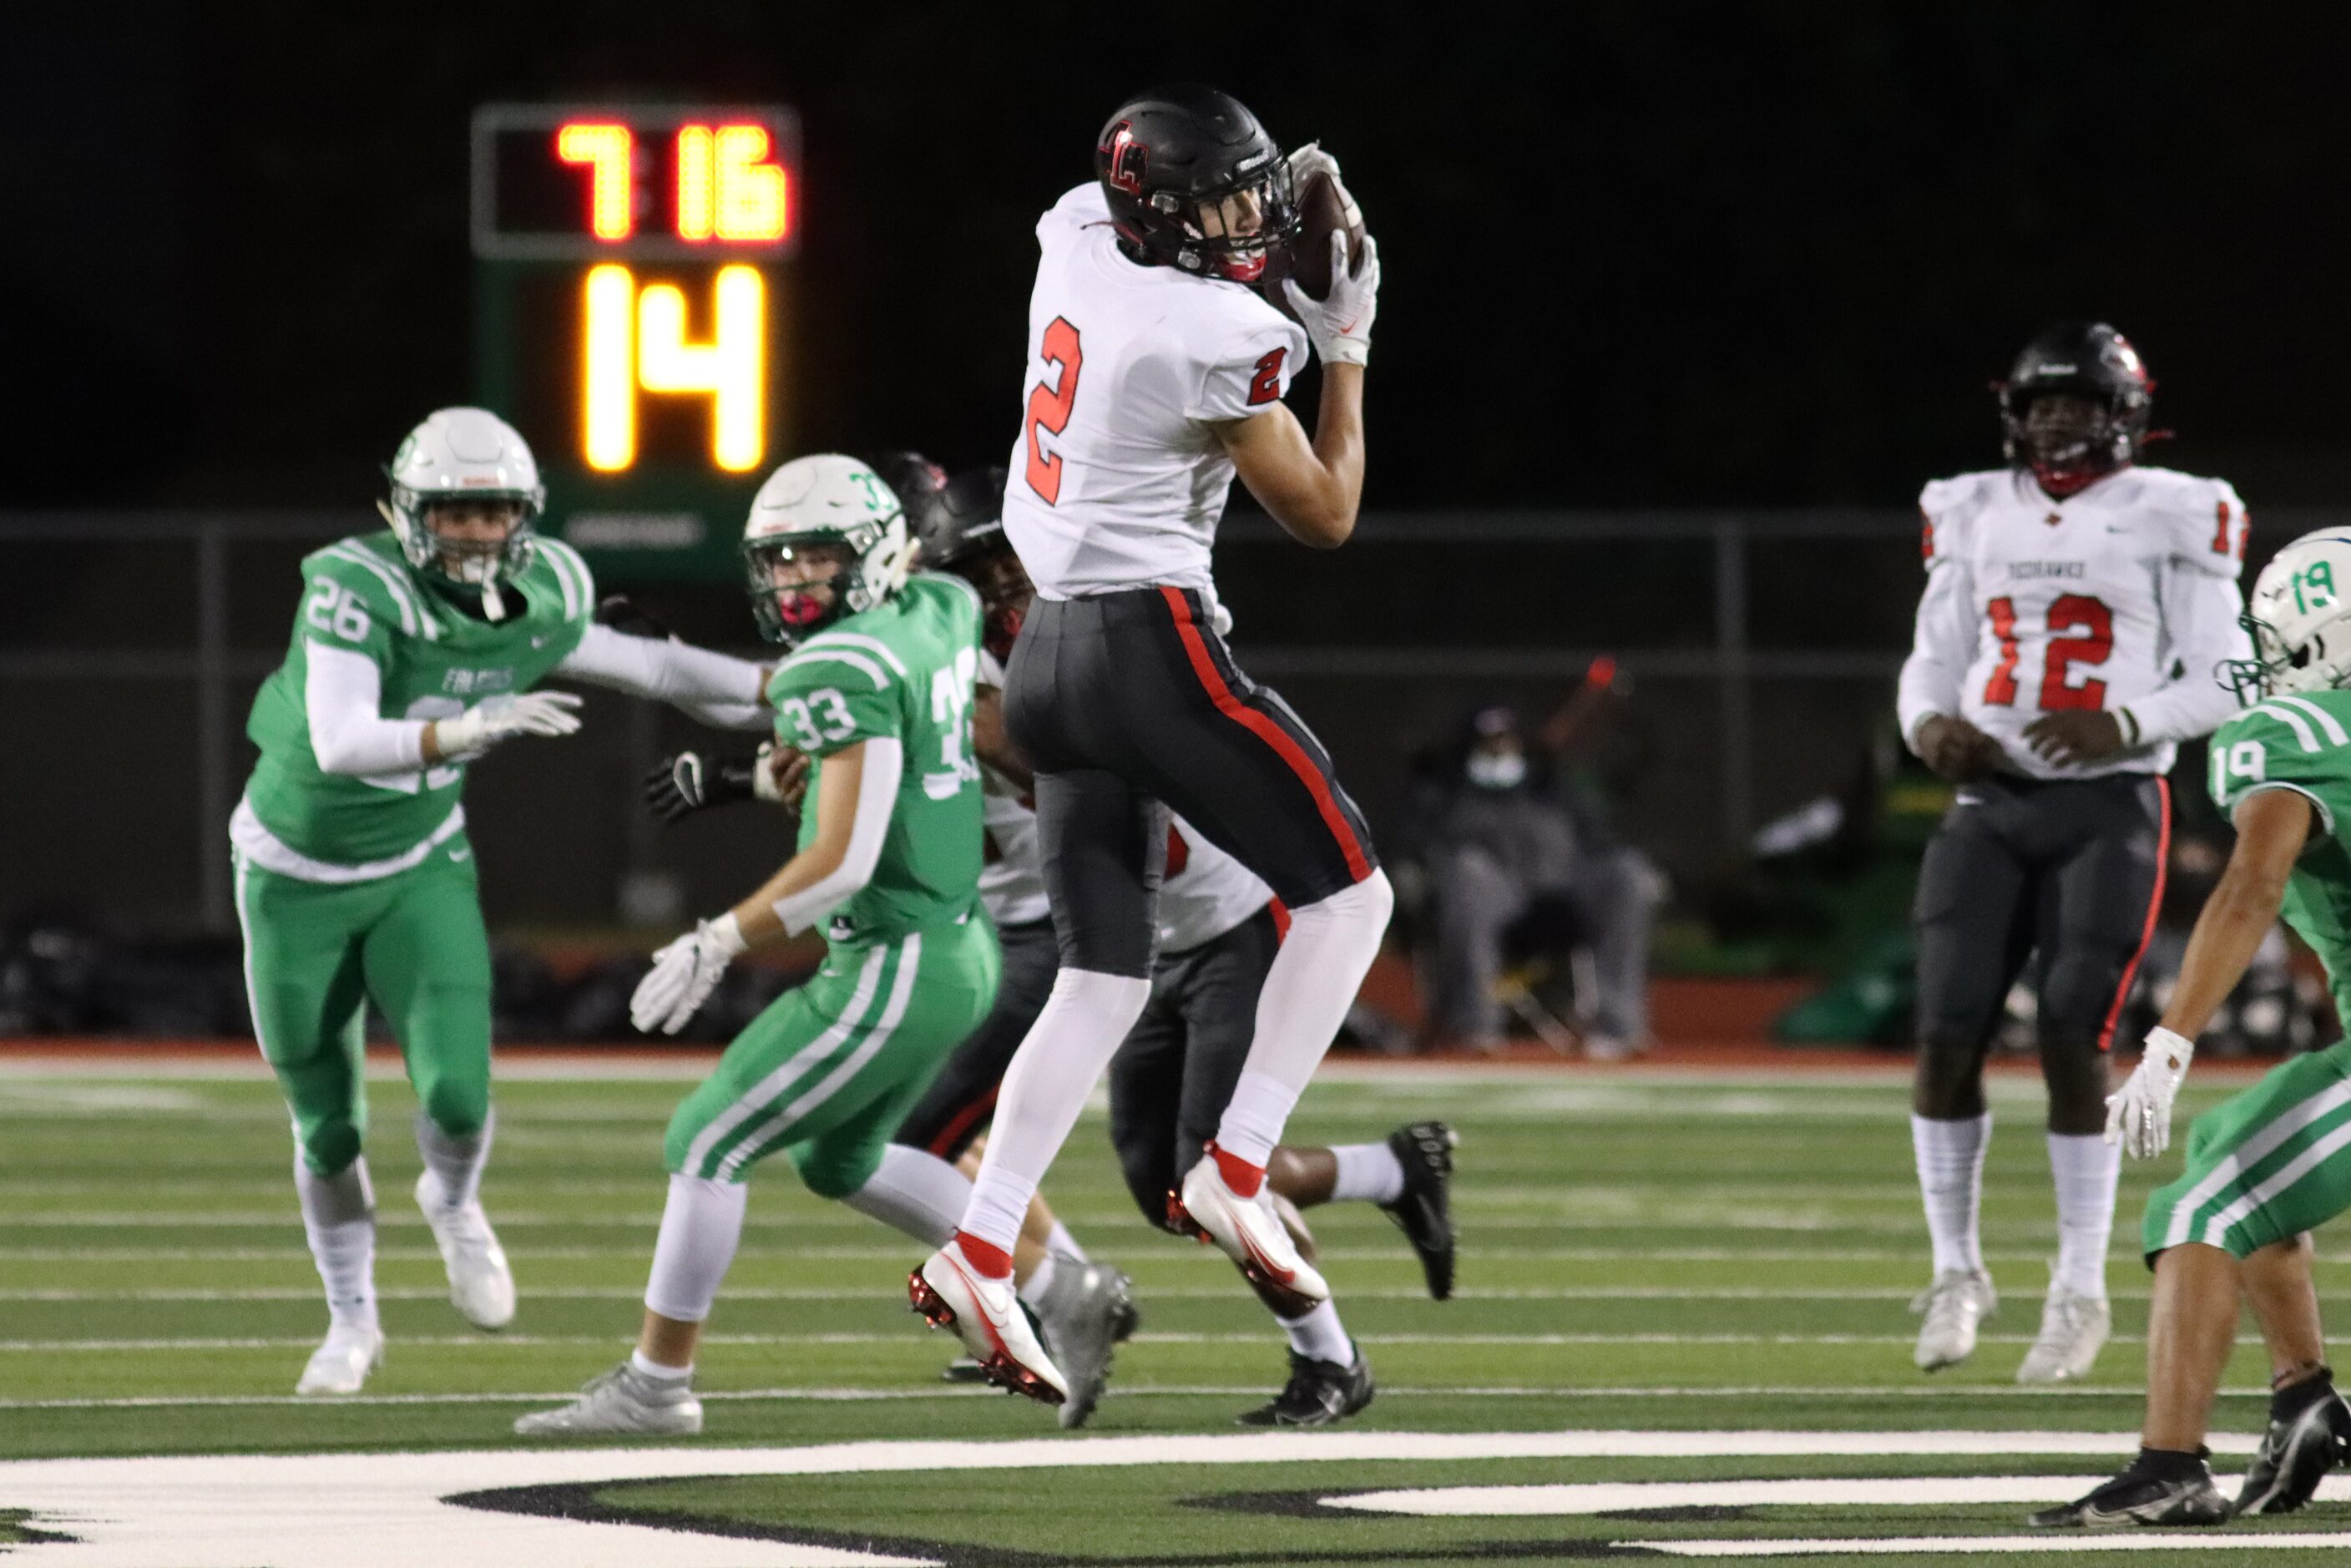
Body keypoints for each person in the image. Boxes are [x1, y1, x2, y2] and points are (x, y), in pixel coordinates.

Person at [650, 458, 1459, 1426]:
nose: (1001, 590)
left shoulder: (1088, 643)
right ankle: (1362, 1180)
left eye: (1009, 565)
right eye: (977, 572)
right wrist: (763, 775)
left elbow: (1060, 771)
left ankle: (1326, 1356)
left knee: (1210, 1172)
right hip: (1113, 948)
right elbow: (870, 742)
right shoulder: (944, 652)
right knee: (1161, 1191)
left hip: (1225, 921)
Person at [905, 85, 1394, 1406]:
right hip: (1145, 642)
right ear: (1161, 213)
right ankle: (1240, 1162)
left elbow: (1123, 237)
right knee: (1353, 893)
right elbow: (1328, 512)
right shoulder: (1224, 330)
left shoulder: (1074, 234)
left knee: (1103, 975)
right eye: (1226, 203)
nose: (1250, 224)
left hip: (1050, 655)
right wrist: (1342, 343)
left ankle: (982, 1242)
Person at [514, 454, 1107, 1436]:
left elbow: (840, 858)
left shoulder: (850, 665)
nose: (793, 581)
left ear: (870, 556)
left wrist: (715, 940)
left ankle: (656, 1389)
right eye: (779, 562)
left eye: (815, 561)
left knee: (707, 1138)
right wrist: (573, 646)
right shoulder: (930, 612)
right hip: (952, 952)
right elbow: (731, 683)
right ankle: (1066, 1284)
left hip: (893, 956)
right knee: (844, 1160)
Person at [234, 407, 775, 1395]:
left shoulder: (549, 587)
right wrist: (468, 728)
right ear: (405, 513)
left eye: (493, 512)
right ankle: (351, 1320)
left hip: (418, 864)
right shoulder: (354, 589)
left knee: (458, 1093)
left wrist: (794, 689)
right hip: (291, 879)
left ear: (522, 515)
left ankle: (451, 1200)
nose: (477, 532)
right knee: (327, 1125)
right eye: (454, 511)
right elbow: (342, 741)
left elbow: (651, 667)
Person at [1893, 322, 2252, 1384]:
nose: (2056, 421)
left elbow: (2230, 677)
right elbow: (1931, 660)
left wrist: (2127, 722)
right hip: (1988, 801)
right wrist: (1926, 729)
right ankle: (1956, 1270)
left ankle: (2077, 1287)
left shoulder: (2174, 510)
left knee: (2070, 1034)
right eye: (2041, 402)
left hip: (2106, 806)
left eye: (2079, 404)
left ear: (2123, 416)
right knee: (1944, 1031)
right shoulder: (1969, 506)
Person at [2034, 529, 2351, 1528]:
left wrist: (2167, 1041)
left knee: (2201, 1207)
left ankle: (2168, 1466)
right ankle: (2303, 1398)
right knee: (2230, 1146)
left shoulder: (2295, 730)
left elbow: (2252, 881)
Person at [1421, 701, 1662, 1057]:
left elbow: (1599, 842)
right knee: (1466, 874)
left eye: (1506, 740)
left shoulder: (1554, 787)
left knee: (1626, 874)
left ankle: (1618, 1028)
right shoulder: (1445, 792)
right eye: (1490, 742)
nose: (1499, 749)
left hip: (1562, 892)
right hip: (1494, 897)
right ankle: (1477, 1025)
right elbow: (1423, 849)